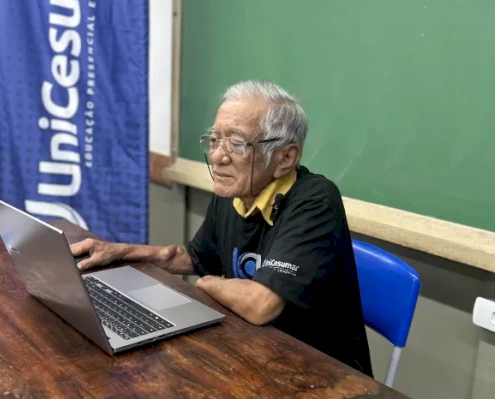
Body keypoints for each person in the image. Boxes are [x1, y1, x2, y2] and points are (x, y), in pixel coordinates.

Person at [70, 80, 373, 377]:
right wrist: (119, 251)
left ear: (286, 158)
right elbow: (190, 256)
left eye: (237, 143)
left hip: (321, 375)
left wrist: (206, 284)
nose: (217, 156)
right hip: (254, 353)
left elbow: (260, 304)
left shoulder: (316, 200)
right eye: (215, 140)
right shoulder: (237, 191)